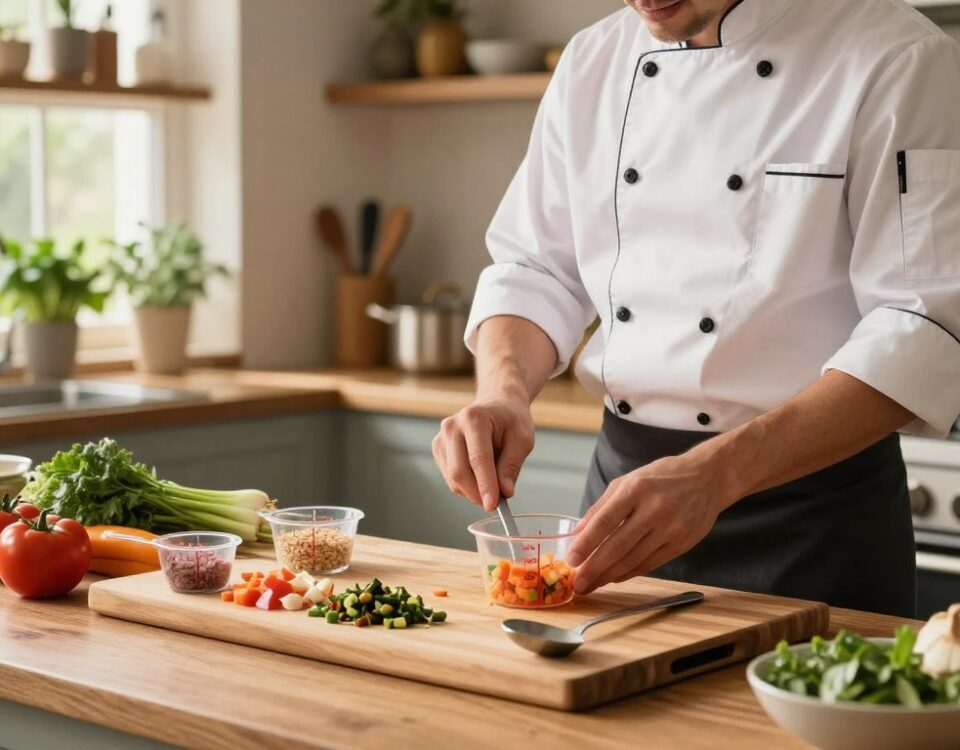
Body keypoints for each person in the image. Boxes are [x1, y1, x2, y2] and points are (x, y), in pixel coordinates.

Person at [431, 0, 960, 618]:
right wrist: (504, 391)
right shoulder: (592, 62)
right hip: (620, 512)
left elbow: (924, 324)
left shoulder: (898, 58)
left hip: (814, 524)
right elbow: (534, 267)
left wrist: (716, 475)